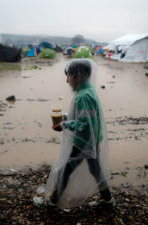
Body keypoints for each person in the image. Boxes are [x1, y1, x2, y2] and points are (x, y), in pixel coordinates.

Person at [44, 59, 114, 209]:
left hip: (84, 143)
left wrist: (64, 124)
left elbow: (84, 124)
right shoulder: (89, 91)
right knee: (95, 170)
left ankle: (53, 200)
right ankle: (108, 200)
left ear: (79, 76)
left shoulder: (82, 97)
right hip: (93, 140)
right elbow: (86, 118)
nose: (67, 80)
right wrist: (65, 118)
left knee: (65, 170)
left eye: (68, 76)